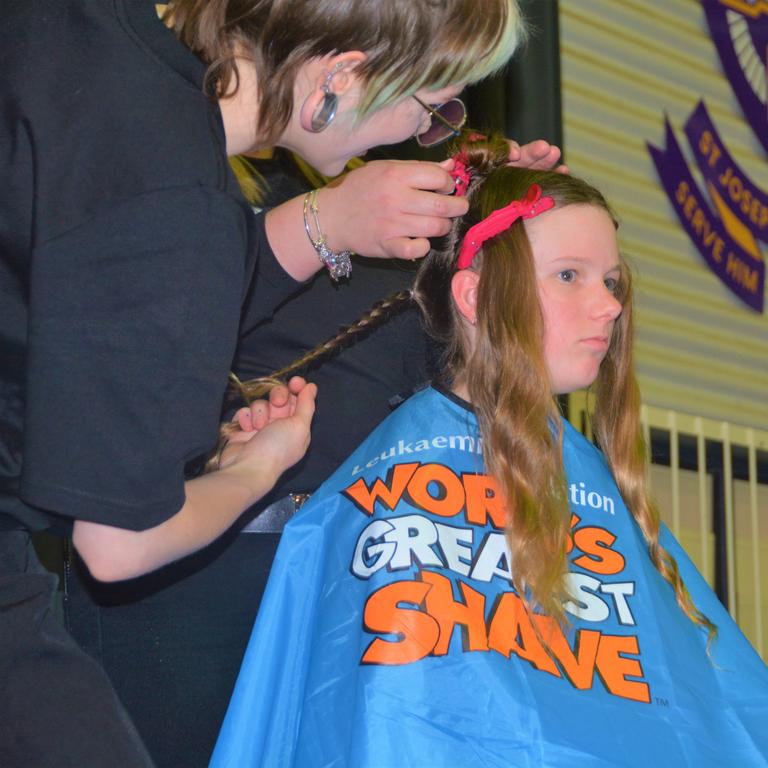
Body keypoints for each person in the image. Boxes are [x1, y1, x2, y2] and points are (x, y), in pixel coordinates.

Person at [0, 1, 534, 764]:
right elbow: (118, 543)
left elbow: (107, 262)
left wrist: (328, 220)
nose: (421, 135)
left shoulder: (85, 37)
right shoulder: (172, 202)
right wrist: (259, 468)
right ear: (343, 76)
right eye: (426, 107)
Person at [211, 137, 768, 767]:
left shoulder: (592, 486)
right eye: (568, 275)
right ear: (474, 297)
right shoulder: (385, 473)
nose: (611, 305)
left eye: (611, 281)